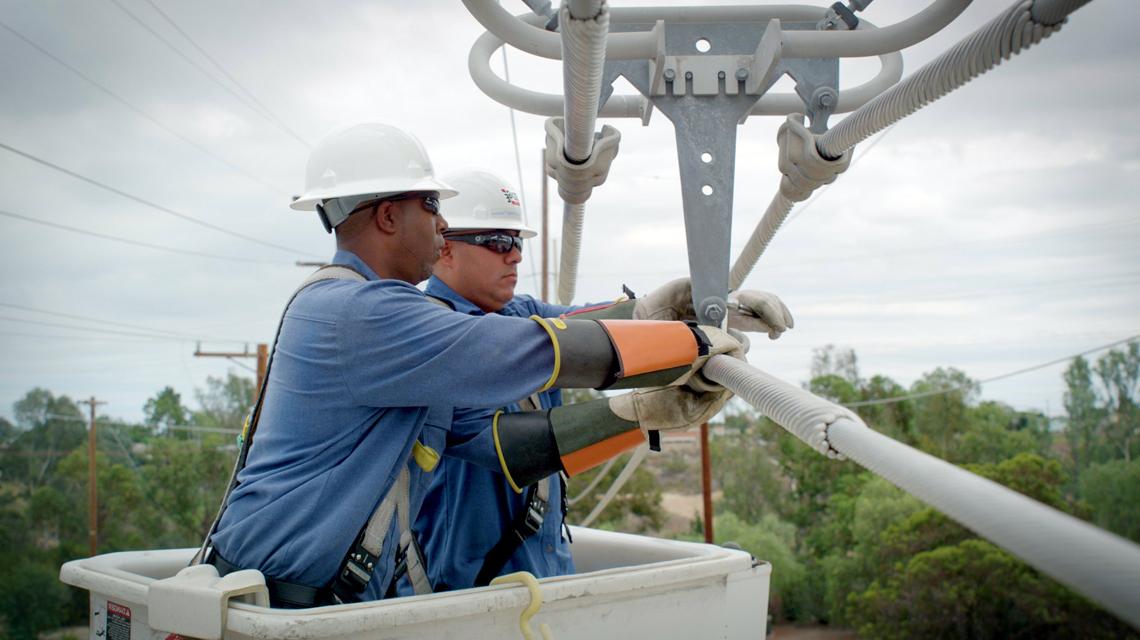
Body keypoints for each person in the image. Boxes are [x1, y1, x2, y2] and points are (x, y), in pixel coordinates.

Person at [198, 123, 746, 608]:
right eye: (433, 206)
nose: (441, 226)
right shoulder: (361, 312)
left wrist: (662, 334)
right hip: (283, 605)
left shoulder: (383, 322)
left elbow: (499, 442)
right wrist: (691, 344)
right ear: (388, 215)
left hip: (318, 599)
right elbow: (520, 350)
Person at [415, 169, 796, 592]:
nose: (516, 256)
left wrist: (705, 308)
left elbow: (598, 329)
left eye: (517, 242)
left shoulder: (517, 313)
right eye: (498, 242)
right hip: (467, 595)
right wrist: (642, 413)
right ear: (445, 248)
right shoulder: (427, 339)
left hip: (547, 579)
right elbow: (499, 445)